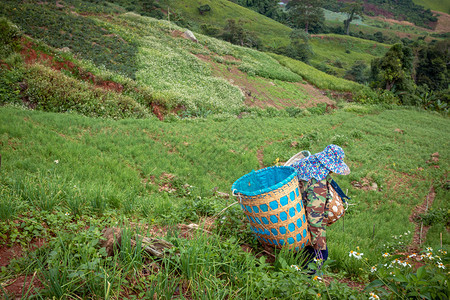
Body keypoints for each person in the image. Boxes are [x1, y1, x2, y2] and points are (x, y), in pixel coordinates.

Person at [291, 144, 350, 270]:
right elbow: (315, 219)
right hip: (305, 223)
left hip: (295, 215)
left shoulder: (305, 164)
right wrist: (319, 245)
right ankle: (306, 282)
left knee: (303, 255)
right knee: (321, 256)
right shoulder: (318, 185)